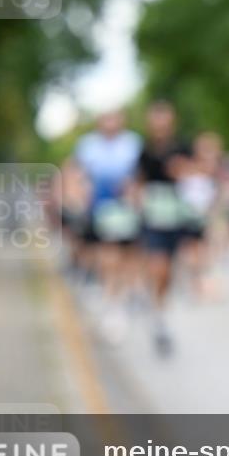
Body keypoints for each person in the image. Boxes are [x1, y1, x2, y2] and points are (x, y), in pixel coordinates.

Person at [72, 110, 142, 341]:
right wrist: (79, 198)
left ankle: (124, 296)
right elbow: (78, 175)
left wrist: (135, 195)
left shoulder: (133, 143)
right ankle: (113, 304)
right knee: (108, 258)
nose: (111, 123)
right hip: (100, 211)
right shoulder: (88, 146)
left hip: (127, 211)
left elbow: (140, 176)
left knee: (128, 259)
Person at [135, 100, 191, 355]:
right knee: (159, 266)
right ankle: (157, 313)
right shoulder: (144, 151)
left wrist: (183, 171)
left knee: (168, 271)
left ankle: (160, 308)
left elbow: (196, 173)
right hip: (153, 216)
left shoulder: (181, 147)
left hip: (176, 215)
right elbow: (138, 181)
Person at [177, 131, 224, 299]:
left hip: (205, 218)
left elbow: (216, 196)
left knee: (204, 253)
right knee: (190, 252)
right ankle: (195, 283)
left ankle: (200, 283)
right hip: (188, 217)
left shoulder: (214, 173)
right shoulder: (188, 169)